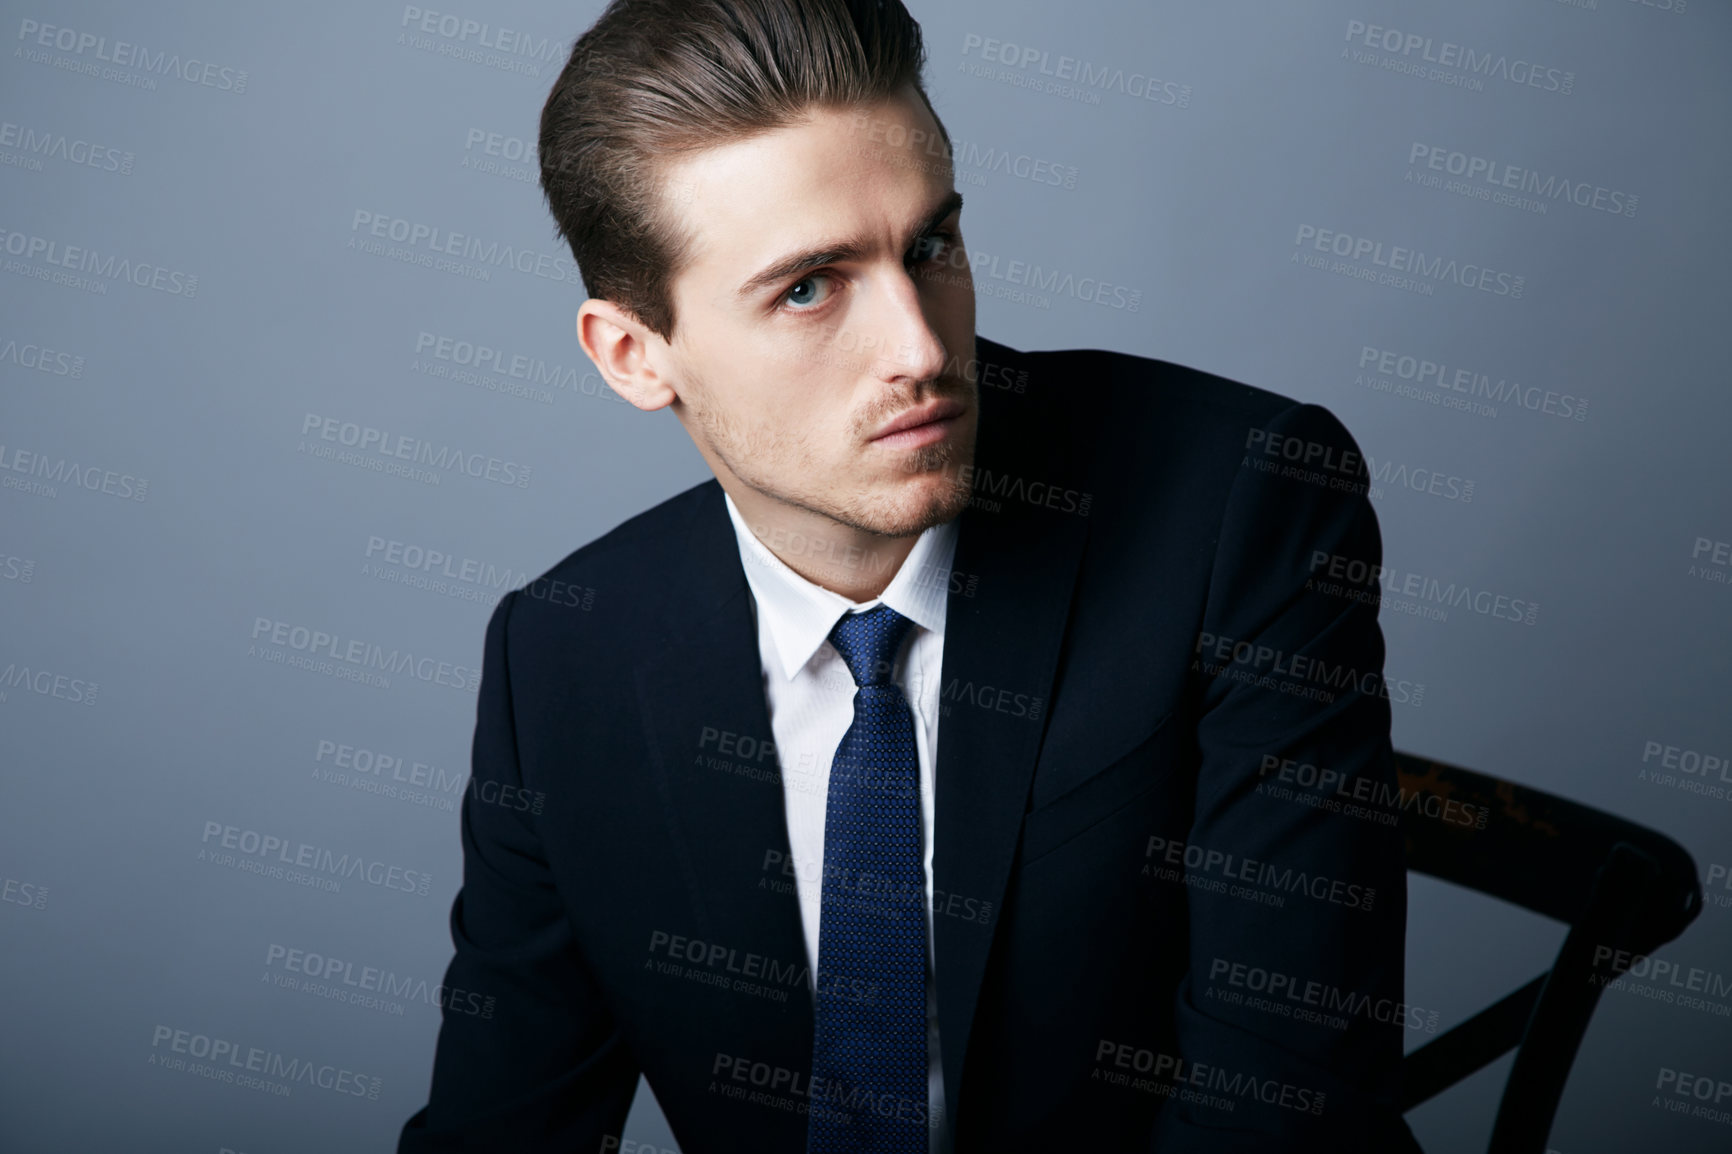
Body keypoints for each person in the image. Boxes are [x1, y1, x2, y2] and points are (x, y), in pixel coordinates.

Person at [400, 1, 1422, 1150]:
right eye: (807, 287)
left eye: (929, 246)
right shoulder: (563, 657)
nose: (923, 350)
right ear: (635, 354)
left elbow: (1287, 1112)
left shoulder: (1237, 502)